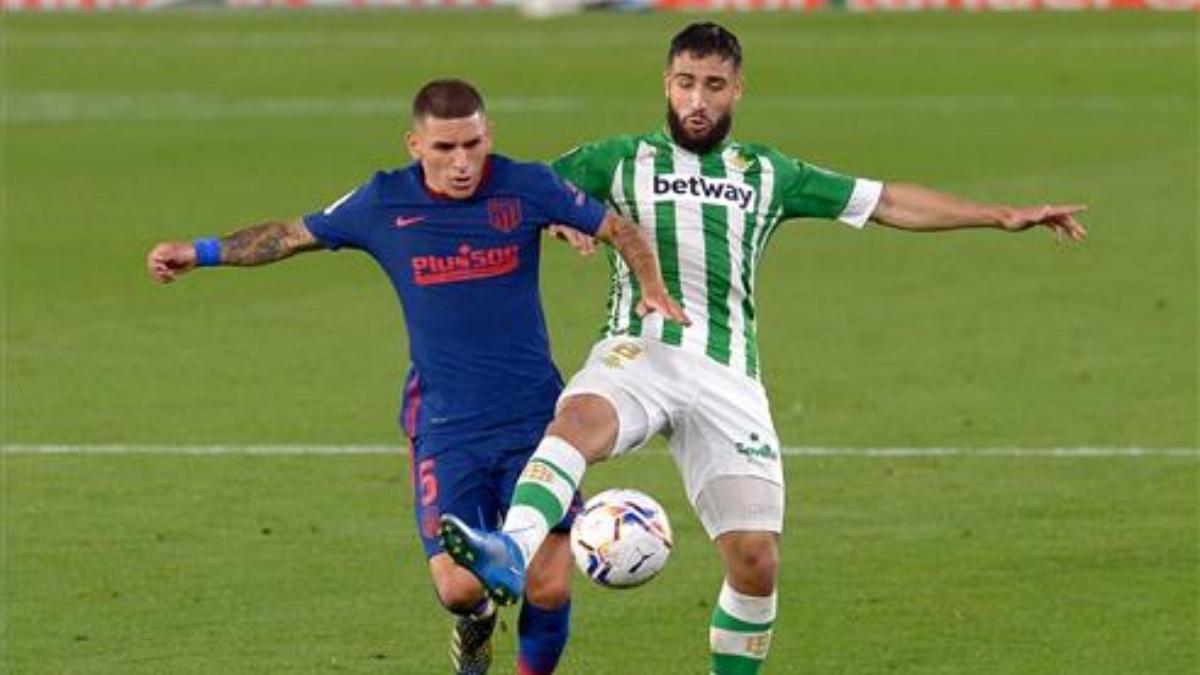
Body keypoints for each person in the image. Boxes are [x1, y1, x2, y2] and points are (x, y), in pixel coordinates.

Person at [438, 22, 1088, 675]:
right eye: (686, 83)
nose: (698, 99)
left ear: (737, 90)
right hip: (640, 349)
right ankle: (510, 550)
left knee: (756, 559)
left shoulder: (768, 172)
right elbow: (529, 196)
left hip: (727, 375)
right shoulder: (615, 158)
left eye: (713, 86)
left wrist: (999, 214)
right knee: (577, 423)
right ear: (666, 83)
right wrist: (558, 220)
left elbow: (886, 200)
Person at [145, 78, 686, 675]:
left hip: (535, 418)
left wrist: (651, 285)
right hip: (446, 423)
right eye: (444, 149)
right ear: (414, 145)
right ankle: (476, 623)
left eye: (472, 145)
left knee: (550, 587)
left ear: (489, 136)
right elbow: (291, 236)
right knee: (458, 590)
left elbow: (617, 227)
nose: (461, 163)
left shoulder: (526, 185)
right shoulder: (382, 203)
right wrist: (200, 251)